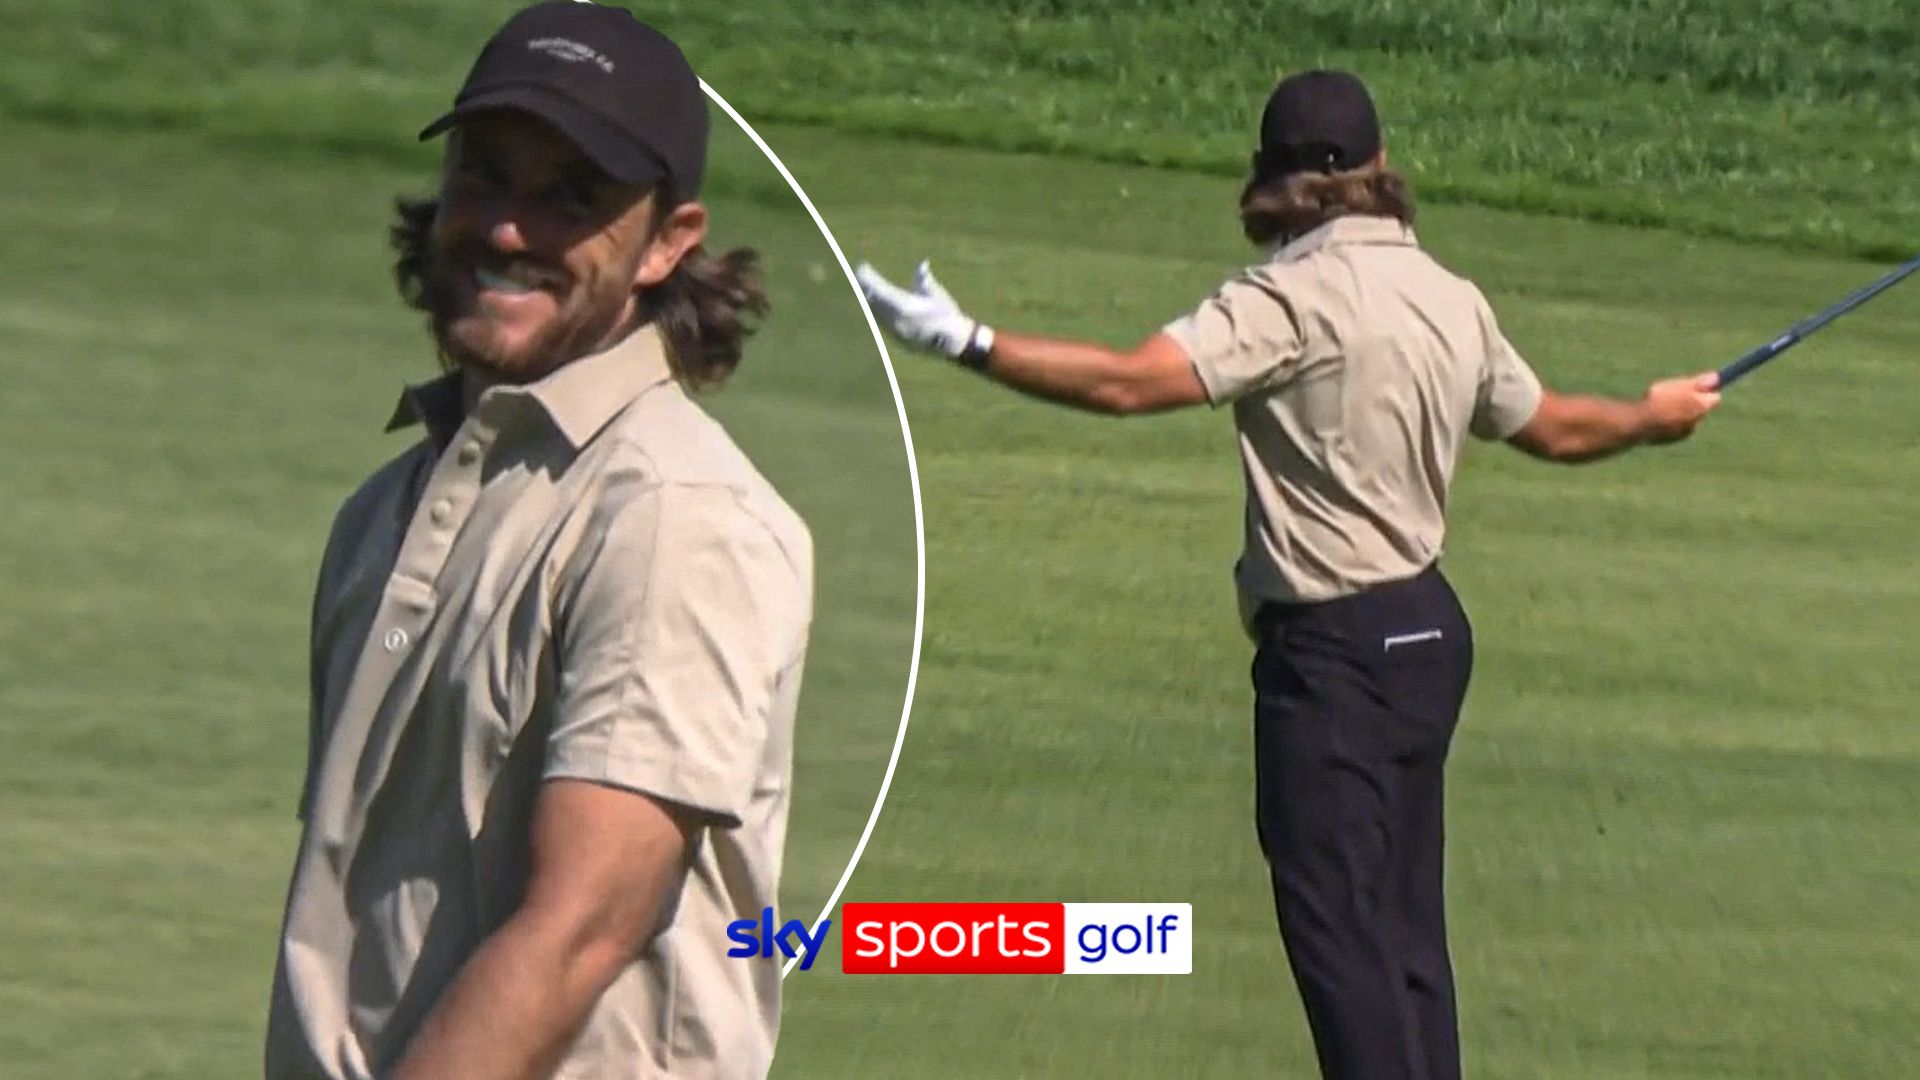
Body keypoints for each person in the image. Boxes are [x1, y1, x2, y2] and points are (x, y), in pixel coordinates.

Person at [856, 69, 1718, 1080]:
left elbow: (1132, 385)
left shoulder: (1287, 300)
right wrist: (1650, 418)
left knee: (1340, 937)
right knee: (1402, 932)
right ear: (1380, 166)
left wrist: (970, 342)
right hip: (1429, 636)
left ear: (1272, 180)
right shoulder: (1451, 296)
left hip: (1334, 653)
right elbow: (1561, 429)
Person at [265, 5, 813, 1079]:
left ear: (669, 243)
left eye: (573, 197)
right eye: (485, 174)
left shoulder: (673, 518)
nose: (510, 230)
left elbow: (581, 932)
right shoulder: (387, 505)